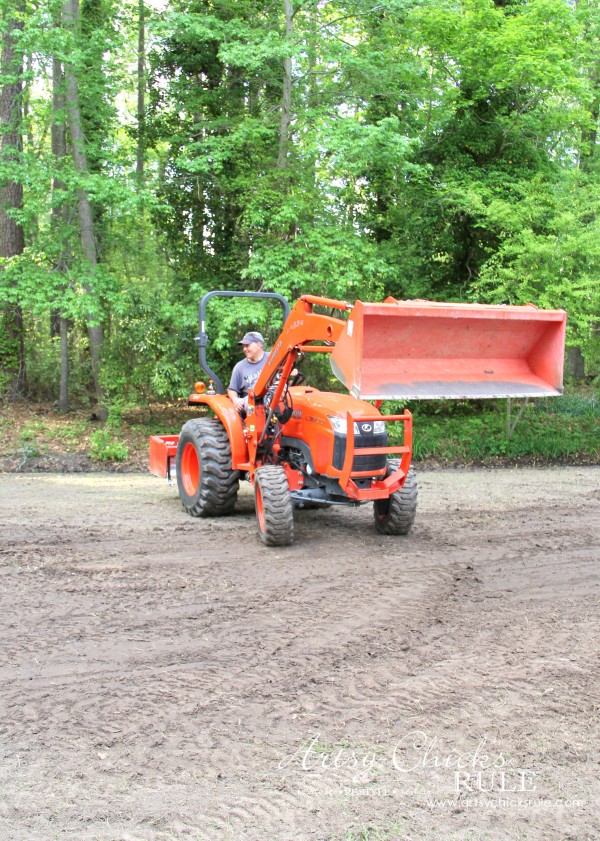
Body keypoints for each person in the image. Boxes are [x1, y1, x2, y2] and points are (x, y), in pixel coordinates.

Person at [227, 331, 268, 413]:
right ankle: (253, 425)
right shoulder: (239, 367)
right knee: (250, 406)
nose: (244, 349)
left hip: (272, 395)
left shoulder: (273, 358)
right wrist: (235, 399)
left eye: (247, 346)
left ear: (259, 344)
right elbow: (232, 389)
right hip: (251, 401)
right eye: (243, 347)